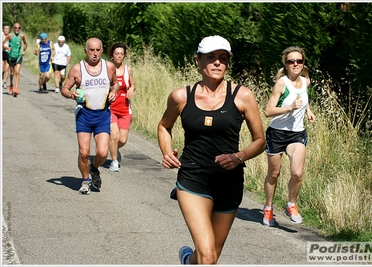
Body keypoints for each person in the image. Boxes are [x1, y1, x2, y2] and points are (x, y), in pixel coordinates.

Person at [157, 35, 265, 264]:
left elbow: (260, 140)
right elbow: (164, 126)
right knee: (207, 255)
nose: (217, 63)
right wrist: (166, 152)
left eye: (223, 58)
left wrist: (239, 156)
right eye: (211, 57)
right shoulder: (181, 96)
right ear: (198, 61)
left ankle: (188, 261)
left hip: (229, 182)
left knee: (210, 258)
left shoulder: (242, 96)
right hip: (193, 178)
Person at [262, 46, 316, 227]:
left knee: (297, 173)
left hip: (297, 133)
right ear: (285, 64)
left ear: (303, 63)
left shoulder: (306, 81)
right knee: (274, 174)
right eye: (291, 61)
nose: (295, 64)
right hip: (276, 133)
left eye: (298, 61)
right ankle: (268, 208)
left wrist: (308, 110)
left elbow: (304, 97)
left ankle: (291, 204)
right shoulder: (281, 84)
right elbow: (268, 111)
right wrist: (290, 107)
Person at [61, 37, 119, 195]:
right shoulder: (77, 69)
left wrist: (114, 92)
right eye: (91, 50)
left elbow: (116, 84)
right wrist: (71, 95)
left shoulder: (109, 67)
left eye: (97, 50)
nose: (94, 53)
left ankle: (94, 168)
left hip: (102, 115)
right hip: (84, 115)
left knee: (102, 153)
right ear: (86, 51)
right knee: (84, 152)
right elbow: (64, 89)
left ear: (102, 50)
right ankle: (85, 180)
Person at [107, 43, 136, 172]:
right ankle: (114, 161)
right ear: (112, 55)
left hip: (124, 108)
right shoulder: (107, 68)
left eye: (121, 53)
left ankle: (114, 148)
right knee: (115, 136)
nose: (119, 56)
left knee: (122, 140)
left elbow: (133, 84)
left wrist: (131, 89)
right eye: (117, 53)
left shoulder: (128, 69)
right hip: (110, 108)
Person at [2, 22, 28, 97]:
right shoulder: (10, 35)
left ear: (20, 28)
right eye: (16, 28)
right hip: (10, 56)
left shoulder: (22, 36)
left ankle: (16, 89)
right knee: (12, 73)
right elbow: (2, 43)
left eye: (19, 28)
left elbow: (26, 44)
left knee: (17, 72)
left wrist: (23, 50)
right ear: (13, 28)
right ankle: (11, 85)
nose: (17, 29)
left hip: (18, 56)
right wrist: (7, 48)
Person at [2, 25, 10, 90]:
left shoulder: (10, 36)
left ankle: (5, 83)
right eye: (5, 29)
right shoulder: (1, 35)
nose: (6, 30)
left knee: (7, 68)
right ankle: (2, 76)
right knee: (2, 69)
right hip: (2, 51)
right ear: (3, 29)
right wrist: (6, 47)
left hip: (8, 53)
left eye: (7, 29)